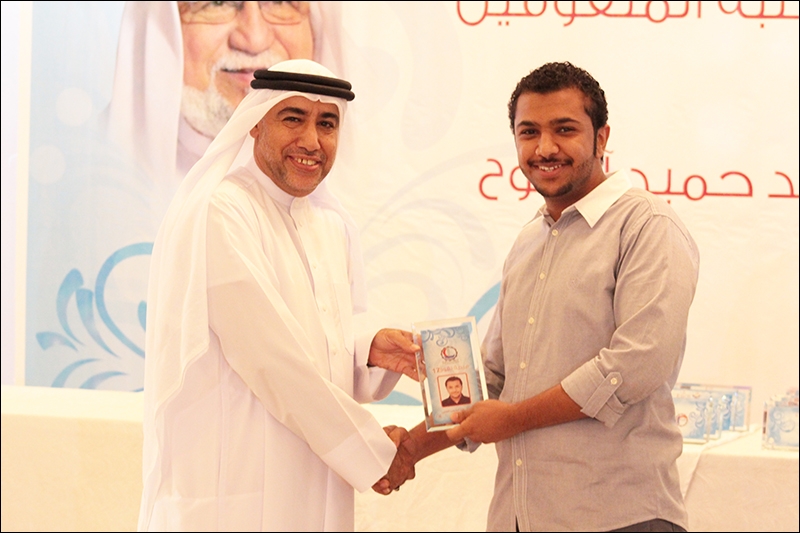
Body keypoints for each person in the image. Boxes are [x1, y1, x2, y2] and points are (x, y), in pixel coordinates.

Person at [377, 62, 700, 533]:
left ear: (602, 138)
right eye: (529, 132)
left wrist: (512, 420)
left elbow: (635, 365)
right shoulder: (530, 240)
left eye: (564, 129)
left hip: (618, 517)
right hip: (520, 516)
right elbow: (493, 380)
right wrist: (411, 448)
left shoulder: (647, 226)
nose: (545, 148)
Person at [138, 59, 419, 532]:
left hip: (312, 477)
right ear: (255, 123)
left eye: (326, 124)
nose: (311, 141)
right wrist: (370, 452)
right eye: (293, 118)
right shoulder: (221, 212)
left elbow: (312, 342)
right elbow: (272, 359)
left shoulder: (328, 224)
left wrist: (367, 352)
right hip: (234, 487)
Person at [104, 1, 344, 200]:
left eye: (280, 2)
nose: (254, 40)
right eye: (218, 3)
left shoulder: (349, 209)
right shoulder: (102, 182)